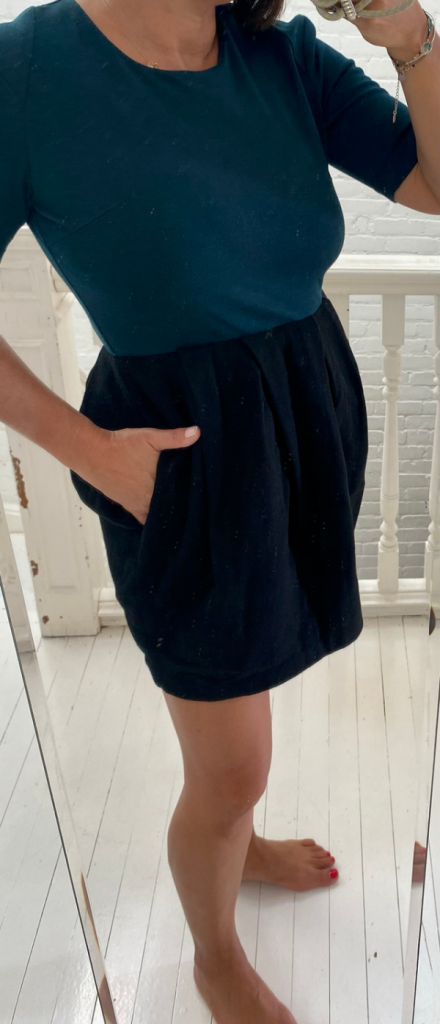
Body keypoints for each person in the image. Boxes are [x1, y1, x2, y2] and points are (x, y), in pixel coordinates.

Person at [0, 0, 438, 1020]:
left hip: (300, 420)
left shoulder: (279, 53)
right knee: (233, 762)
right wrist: (89, 451)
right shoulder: (28, 70)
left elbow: (432, 186)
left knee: (253, 679)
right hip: (178, 457)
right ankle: (213, 956)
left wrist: (414, 42)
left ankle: (241, 838)